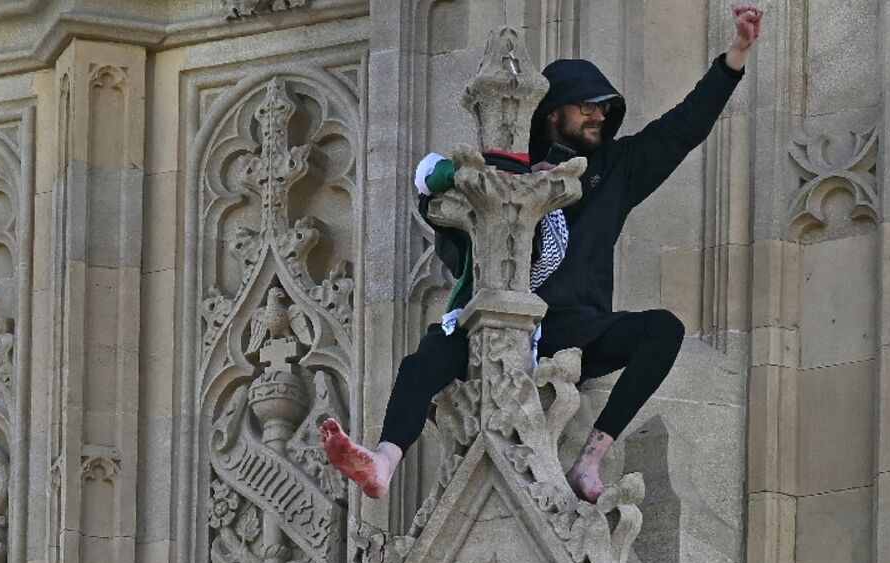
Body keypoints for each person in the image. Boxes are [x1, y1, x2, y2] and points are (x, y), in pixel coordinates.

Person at [321, 2, 765, 502]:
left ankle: (590, 460)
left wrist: (736, 54)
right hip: (496, 320)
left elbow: (684, 127)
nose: (600, 115)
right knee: (424, 361)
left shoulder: (614, 169)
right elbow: (438, 196)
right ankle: (382, 462)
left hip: (573, 328)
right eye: (588, 106)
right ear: (554, 112)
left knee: (662, 330)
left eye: (605, 108)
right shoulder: (505, 168)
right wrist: (507, 183)